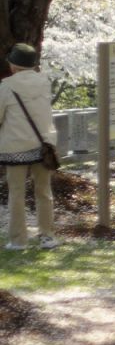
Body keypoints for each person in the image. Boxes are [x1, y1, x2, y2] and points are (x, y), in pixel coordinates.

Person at [1, 44, 58, 251]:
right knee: (43, 192)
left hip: (14, 147)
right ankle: (47, 236)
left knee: (16, 193)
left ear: (14, 65)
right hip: (43, 145)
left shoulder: (6, 86)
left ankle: (18, 240)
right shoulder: (44, 83)